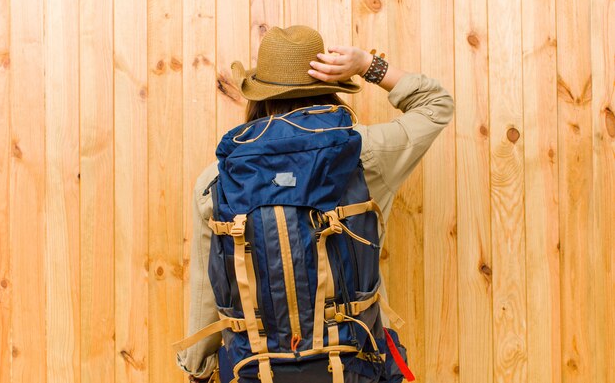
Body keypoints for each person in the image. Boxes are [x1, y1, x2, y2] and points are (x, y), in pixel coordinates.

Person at [176, 25, 455, 382]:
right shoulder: (364, 153)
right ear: (330, 89)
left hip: (255, 371)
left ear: (258, 95)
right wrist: (367, 64)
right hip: (357, 367)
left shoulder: (219, 177)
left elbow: (207, 291)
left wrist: (197, 369)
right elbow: (436, 104)